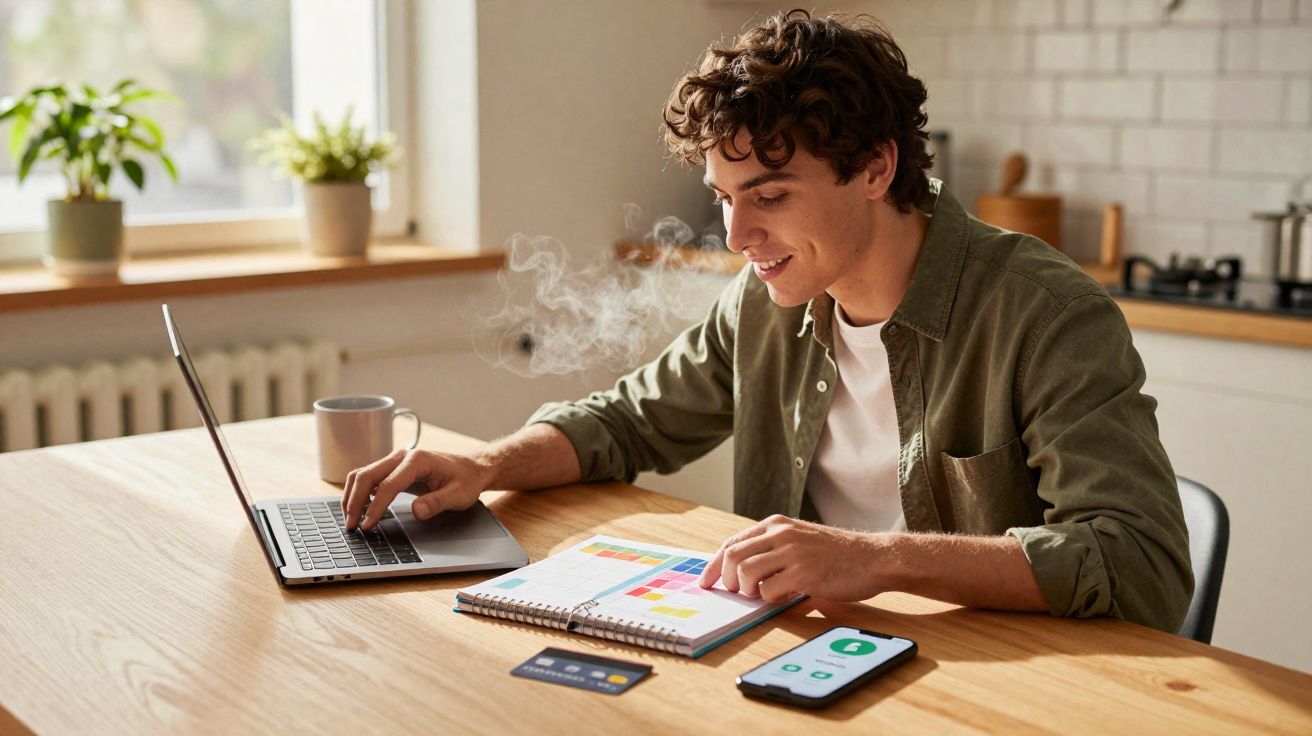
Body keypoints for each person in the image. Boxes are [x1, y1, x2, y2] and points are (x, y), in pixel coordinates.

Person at [341, 9, 1193, 632]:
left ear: (874, 167)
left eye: (772, 198)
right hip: (814, 651)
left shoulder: (1042, 313)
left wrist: (880, 557)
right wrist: (486, 463)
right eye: (724, 199)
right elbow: (631, 422)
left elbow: (1141, 565)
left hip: (993, 687)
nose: (740, 238)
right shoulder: (767, 299)